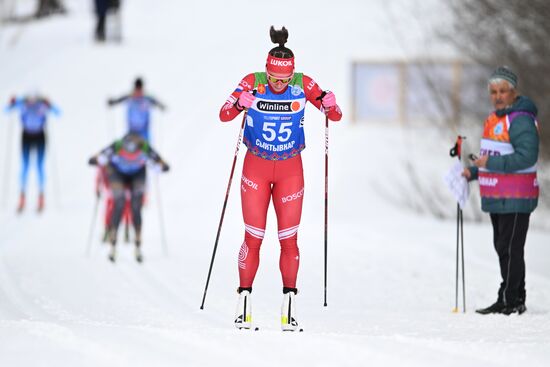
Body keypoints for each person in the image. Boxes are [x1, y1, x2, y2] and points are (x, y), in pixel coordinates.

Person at [219, 26, 342, 331]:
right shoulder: (253, 82)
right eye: (274, 78)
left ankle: (290, 305)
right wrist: (238, 104)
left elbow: (335, 115)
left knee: (289, 240)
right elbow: (224, 114)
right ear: (266, 71)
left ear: (292, 74)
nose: (278, 84)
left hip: (290, 169)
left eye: (284, 79)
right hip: (256, 168)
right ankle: (243, 301)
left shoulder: (303, 84)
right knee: (254, 237)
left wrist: (330, 104)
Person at [463, 66, 539, 315]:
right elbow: (492, 155)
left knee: (510, 249)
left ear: (513, 92)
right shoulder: (494, 119)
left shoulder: (521, 119)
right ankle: (512, 296)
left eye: (503, 91)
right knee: (503, 247)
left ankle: (511, 299)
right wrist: (473, 172)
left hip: (517, 196)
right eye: (493, 92)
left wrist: (490, 164)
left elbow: (527, 157)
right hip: (496, 195)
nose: (497, 96)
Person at [88, 133, 169, 263]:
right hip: (118, 173)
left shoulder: (144, 147)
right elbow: (102, 155)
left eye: (135, 147)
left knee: (136, 207)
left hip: (137, 174)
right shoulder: (118, 145)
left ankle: (137, 242)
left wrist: (163, 166)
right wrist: (95, 159)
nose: (131, 150)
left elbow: (157, 160)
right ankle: (113, 241)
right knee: (119, 202)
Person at [5, 93, 61, 213]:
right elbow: (6, 110)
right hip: (26, 137)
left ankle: (41, 196)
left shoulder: (42, 104)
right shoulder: (22, 102)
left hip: (40, 136)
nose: (32, 103)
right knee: (25, 167)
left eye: (34, 101)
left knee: (39, 166)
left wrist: (50, 104)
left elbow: (58, 113)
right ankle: (22, 196)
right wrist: (12, 102)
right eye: (29, 101)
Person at [107, 77, 166, 141]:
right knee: (131, 143)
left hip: (144, 132)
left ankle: (145, 146)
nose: (138, 91)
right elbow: (118, 100)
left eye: (140, 89)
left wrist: (161, 106)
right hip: (132, 132)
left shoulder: (147, 99)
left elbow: (157, 102)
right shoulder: (129, 98)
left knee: (144, 141)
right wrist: (112, 102)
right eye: (137, 89)